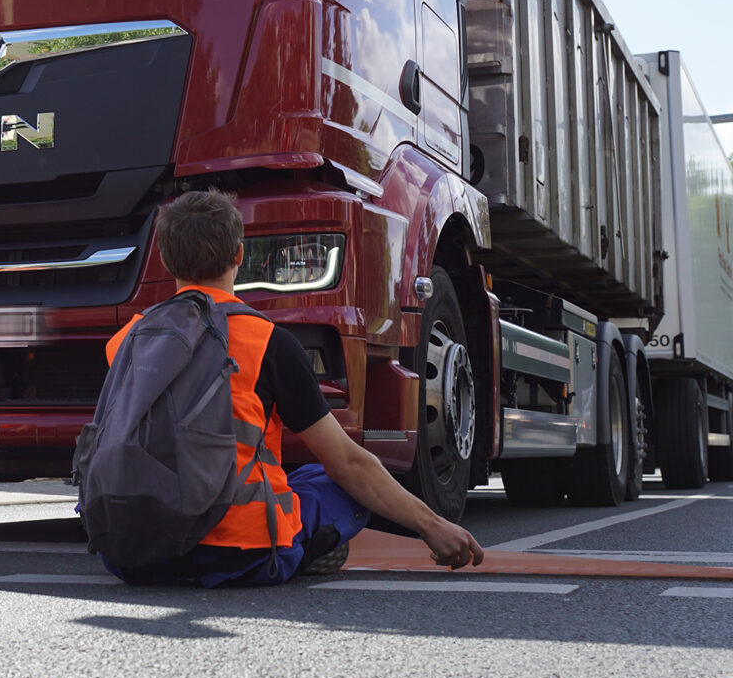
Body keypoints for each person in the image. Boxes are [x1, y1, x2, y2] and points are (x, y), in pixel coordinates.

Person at [100, 189, 483, 587]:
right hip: (235, 554)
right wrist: (432, 525)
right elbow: (349, 465)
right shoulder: (267, 342)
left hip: (130, 555)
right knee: (331, 480)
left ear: (164, 259)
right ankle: (303, 550)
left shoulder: (126, 340)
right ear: (239, 257)